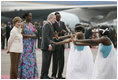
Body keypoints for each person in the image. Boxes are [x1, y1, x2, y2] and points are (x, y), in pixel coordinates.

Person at [18, 12, 38, 79]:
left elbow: (33, 32)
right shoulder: (22, 25)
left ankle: (30, 75)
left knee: (31, 61)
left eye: (31, 16)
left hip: (32, 45)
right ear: (26, 17)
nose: (30, 18)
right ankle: (25, 75)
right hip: (25, 45)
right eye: (29, 16)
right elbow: (20, 35)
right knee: (25, 61)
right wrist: (30, 36)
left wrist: (35, 34)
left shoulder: (31, 24)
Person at [52, 12, 67, 79]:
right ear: (55, 17)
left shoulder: (63, 23)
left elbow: (65, 30)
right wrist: (60, 32)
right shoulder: (53, 23)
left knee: (62, 60)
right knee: (55, 60)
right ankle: (54, 75)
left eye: (59, 16)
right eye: (57, 17)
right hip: (55, 43)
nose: (59, 18)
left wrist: (65, 31)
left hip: (62, 44)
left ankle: (60, 75)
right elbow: (53, 33)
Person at [40, 13, 56, 79]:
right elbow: (46, 36)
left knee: (48, 62)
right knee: (45, 62)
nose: (55, 20)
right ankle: (43, 76)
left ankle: (46, 75)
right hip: (46, 47)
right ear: (50, 18)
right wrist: (49, 44)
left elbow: (50, 36)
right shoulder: (47, 24)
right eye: (54, 18)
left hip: (49, 46)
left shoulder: (50, 25)